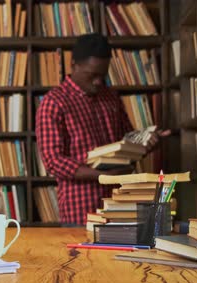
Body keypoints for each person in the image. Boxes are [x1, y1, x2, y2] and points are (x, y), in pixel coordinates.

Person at [36, 33, 165, 225]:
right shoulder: (54, 102)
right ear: (73, 66)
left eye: (103, 75)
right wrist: (101, 176)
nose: (98, 81)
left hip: (119, 201)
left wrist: (146, 141)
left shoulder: (111, 96)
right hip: (80, 208)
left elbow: (126, 140)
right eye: (92, 75)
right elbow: (53, 161)